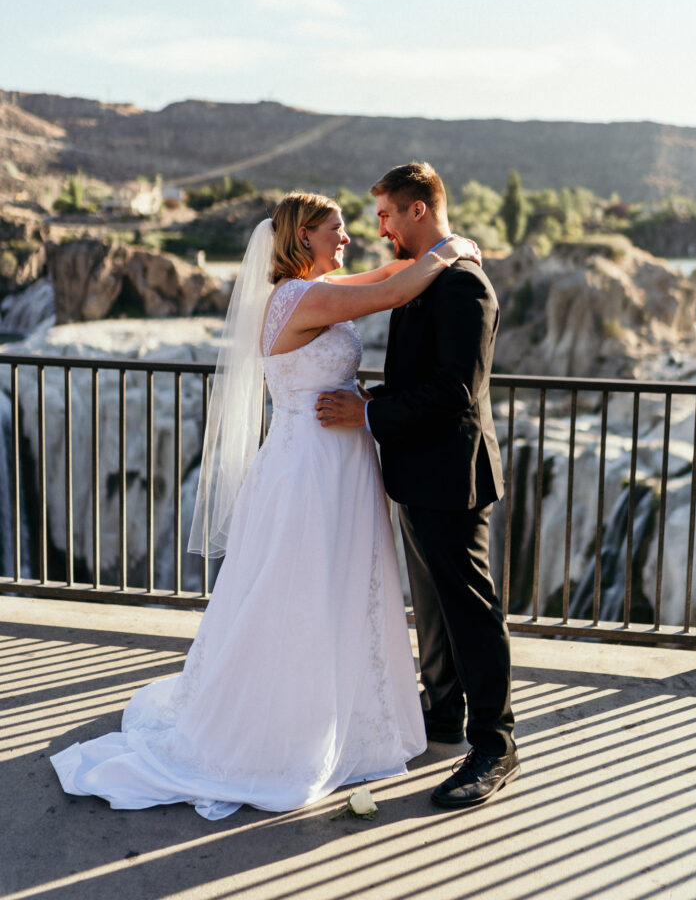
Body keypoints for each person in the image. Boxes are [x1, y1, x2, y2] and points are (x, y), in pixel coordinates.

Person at [50, 192, 478, 819]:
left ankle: (340, 713)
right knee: (300, 591)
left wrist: (435, 250)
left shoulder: (313, 289)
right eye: (336, 229)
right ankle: (284, 729)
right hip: (311, 467)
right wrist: (455, 250)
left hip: (339, 460)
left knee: (336, 588)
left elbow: (388, 273)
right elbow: (394, 290)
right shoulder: (299, 298)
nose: (347, 238)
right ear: (304, 236)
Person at [316, 162, 518, 809]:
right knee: (432, 607)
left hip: (453, 477)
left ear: (418, 210)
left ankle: (495, 744)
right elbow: (418, 378)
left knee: (470, 610)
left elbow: (457, 390)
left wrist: (367, 415)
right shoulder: (423, 277)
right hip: (415, 472)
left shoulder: (465, 286)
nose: (380, 229)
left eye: (386, 216)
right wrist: (378, 400)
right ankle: (443, 716)